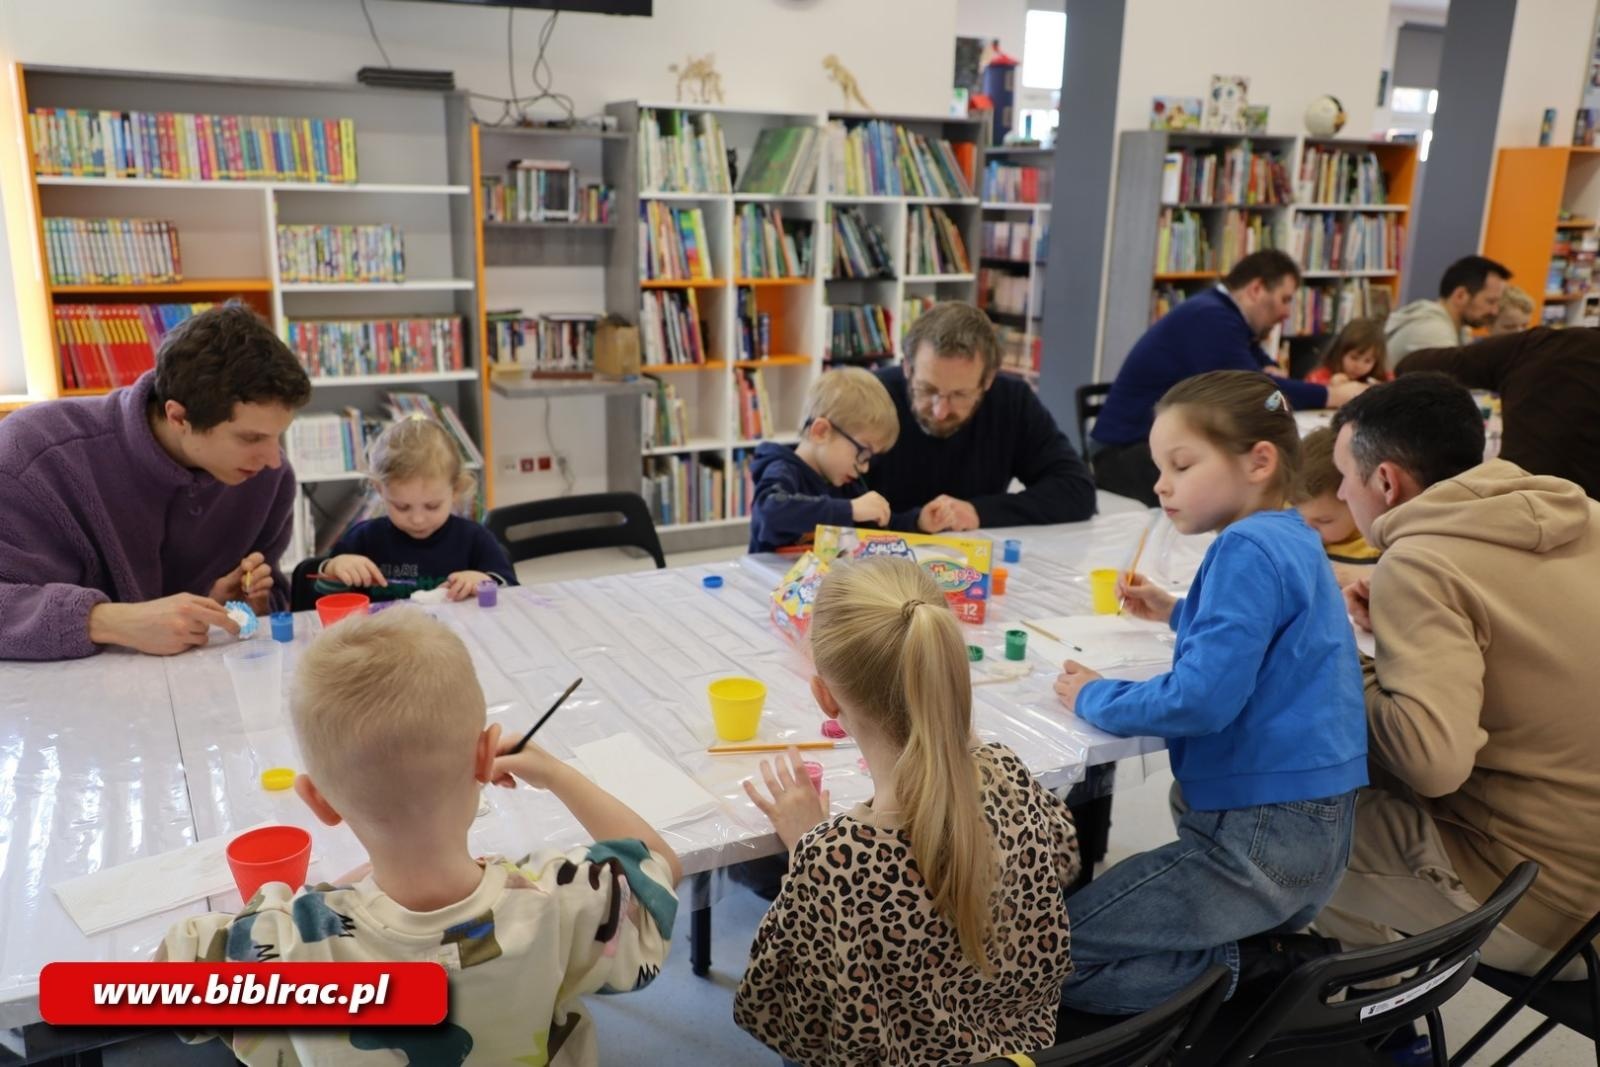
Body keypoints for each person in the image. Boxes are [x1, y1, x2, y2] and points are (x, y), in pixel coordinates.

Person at [160, 609, 681, 1066]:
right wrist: (560, 775)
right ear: (486, 756)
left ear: (318, 801)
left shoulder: (282, 940)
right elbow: (660, 868)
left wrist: (322, 898)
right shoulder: (563, 900)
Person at [1053, 370, 1367, 1014]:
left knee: (1049, 954)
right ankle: (1258, 964)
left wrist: (1095, 696)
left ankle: (1259, 978)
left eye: (1181, 465)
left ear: (1258, 462)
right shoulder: (1293, 535)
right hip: (1314, 825)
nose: (1160, 484)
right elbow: (1272, 632)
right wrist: (1175, 609)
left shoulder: (1246, 545)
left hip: (1259, 830)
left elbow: (1199, 700)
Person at [734, 556, 1079, 1065]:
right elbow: (1065, 859)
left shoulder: (836, 859)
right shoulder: (1008, 771)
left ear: (825, 698)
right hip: (1021, 1048)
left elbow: (779, 1016)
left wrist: (808, 847)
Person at [1314, 375, 1600, 979]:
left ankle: (1377, 1020)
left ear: (1386, 481)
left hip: (1550, 908)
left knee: (1253, 824)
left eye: (1345, 476)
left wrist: (1344, 659)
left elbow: (1430, 764)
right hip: (1586, 868)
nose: (1340, 493)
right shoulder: (1585, 517)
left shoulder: (1422, 561)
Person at [0, 303, 310, 661]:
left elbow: (268, 607)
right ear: (178, 416)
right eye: (251, 439)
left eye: (278, 437)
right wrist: (106, 620)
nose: (273, 459)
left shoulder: (270, 480)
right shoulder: (30, 455)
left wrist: (237, 607)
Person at [1091, 251, 1366, 506]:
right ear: (1256, 289)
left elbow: (1263, 369)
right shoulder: (1211, 318)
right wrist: (1334, 395)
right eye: (1285, 299)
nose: (1287, 313)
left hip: (1150, 445)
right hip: (1127, 456)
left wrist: (1270, 372)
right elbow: (1259, 396)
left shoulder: (1219, 314)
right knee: (1248, 480)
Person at [864, 301, 1096, 532]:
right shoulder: (868, 397)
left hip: (972, 557)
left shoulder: (1011, 401)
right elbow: (830, 503)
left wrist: (979, 512)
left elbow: (1077, 490)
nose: (940, 411)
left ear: (988, 380)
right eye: (927, 389)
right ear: (907, 368)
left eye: (960, 395)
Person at [317, 417, 517, 601]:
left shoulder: (474, 539)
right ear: (380, 490)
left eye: (432, 506)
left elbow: (513, 594)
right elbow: (322, 597)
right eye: (402, 507)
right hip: (383, 636)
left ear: (455, 489)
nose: (418, 519)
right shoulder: (363, 539)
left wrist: (484, 582)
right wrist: (333, 569)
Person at [1398, 326, 1600, 500]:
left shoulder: (1547, 346)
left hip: (1513, 507)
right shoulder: (1543, 346)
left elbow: (1420, 364)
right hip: (1573, 522)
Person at [747, 367, 899, 553]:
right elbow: (769, 512)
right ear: (821, 432)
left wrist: (917, 521)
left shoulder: (844, 482)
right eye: (862, 453)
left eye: (870, 458)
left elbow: (874, 529)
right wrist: (849, 509)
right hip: (769, 579)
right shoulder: (782, 469)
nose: (865, 467)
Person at [1385, 254, 1511, 366]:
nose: (1495, 311)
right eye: (1490, 301)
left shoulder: (1458, 329)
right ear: (1460, 296)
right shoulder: (1434, 331)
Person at [1291, 427, 1381, 586]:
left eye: (1324, 520)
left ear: (1359, 501)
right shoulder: (1291, 504)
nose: (1307, 529)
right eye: (1297, 516)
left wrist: (1357, 577)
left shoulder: (1379, 544)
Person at [1305, 318, 1391, 385]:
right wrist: (1330, 388)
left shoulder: (1381, 379)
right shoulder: (1320, 376)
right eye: (1354, 358)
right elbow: (1308, 392)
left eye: (1368, 361)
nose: (1359, 366)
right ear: (1340, 353)